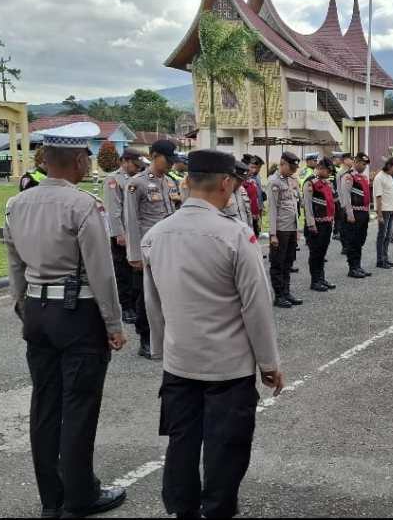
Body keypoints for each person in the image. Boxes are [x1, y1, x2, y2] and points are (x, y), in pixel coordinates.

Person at [141, 150, 283, 520]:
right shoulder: (235, 235)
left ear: (187, 181)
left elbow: (152, 301)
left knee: (181, 441)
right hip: (227, 366)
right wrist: (268, 363)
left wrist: (161, 348)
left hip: (179, 362)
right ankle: (218, 509)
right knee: (226, 447)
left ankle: (181, 508)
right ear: (225, 183)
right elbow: (257, 306)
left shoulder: (156, 234)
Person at [4, 123, 128, 518]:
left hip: (38, 311)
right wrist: (113, 323)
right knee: (79, 405)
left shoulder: (16, 203)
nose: (89, 163)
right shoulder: (82, 205)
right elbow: (101, 270)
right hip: (78, 312)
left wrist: (22, 305)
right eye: (87, 157)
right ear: (77, 160)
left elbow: (14, 265)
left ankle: (51, 498)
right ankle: (79, 496)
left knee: (44, 404)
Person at [124, 139, 182, 358]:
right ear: (155, 155)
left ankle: (164, 335)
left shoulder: (169, 182)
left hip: (168, 247)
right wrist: (134, 254)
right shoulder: (136, 183)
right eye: (167, 160)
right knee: (144, 296)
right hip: (147, 249)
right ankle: (145, 338)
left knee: (166, 293)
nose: (170, 164)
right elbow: (131, 219)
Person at [103, 148, 143, 325]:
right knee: (123, 271)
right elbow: (113, 209)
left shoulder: (137, 178)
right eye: (135, 164)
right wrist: (119, 233)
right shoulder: (114, 180)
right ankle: (125, 306)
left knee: (136, 270)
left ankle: (135, 303)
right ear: (125, 161)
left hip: (136, 231)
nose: (138, 167)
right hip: (122, 233)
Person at [267, 152, 302, 308]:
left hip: (291, 228)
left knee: (288, 262)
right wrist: (273, 234)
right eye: (292, 167)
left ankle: (286, 292)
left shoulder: (292, 179)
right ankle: (279, 295)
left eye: (295, 168)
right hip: (280, 229)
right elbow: (273, 209)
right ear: (283, 164)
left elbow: (295, 206)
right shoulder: (274, 182)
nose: (294, 171)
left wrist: (297, 229)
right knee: (278, 263)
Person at [303, 157, 338, 291]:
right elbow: (307, 206)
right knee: (315, 253)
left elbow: (332, 201)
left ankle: (321, 278)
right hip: (316, 224)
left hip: (327, 223)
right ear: (320, 169)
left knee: (322, 253)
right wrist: (311, 224)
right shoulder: (310, 183)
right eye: (328, 170)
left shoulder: (327, 183)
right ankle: (315, 281)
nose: (329, 173)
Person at [338, 152, 373, 278]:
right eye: (362, 164)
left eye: (365, 165)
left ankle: (358, 266)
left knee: (360, 241)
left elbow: (366, 197)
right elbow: (346, 196)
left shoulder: (363, 177)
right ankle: (352, 268)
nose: (364, 166)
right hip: (353, 212)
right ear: (356, 162)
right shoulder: (348, 176)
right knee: (352, 241)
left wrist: (367, 212)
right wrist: (349, 213)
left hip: (363, 213)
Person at [373, 157, 393, 270]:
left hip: (390, 210)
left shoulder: (390, 177)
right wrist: (379, 215)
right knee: (382, 236)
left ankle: (385, 258)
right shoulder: (379, 178)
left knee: (388, 236)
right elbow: (378, 197)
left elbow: (391, 195)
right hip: (383, 210)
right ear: (389, 166)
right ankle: (380, 260)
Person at [223, 160, 254, 228]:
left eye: (242, 181)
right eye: (239, 180)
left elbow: (248, 215)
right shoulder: (222, 193)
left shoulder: (242, 191)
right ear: (231, 177)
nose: (240, 183)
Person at [241, 155, 265, 238]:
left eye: (256, 168)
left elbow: (256, 196)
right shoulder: (242, 181)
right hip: (246, 215)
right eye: (252, 167)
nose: (254, 170)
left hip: (255, 212)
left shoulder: (254, 179)